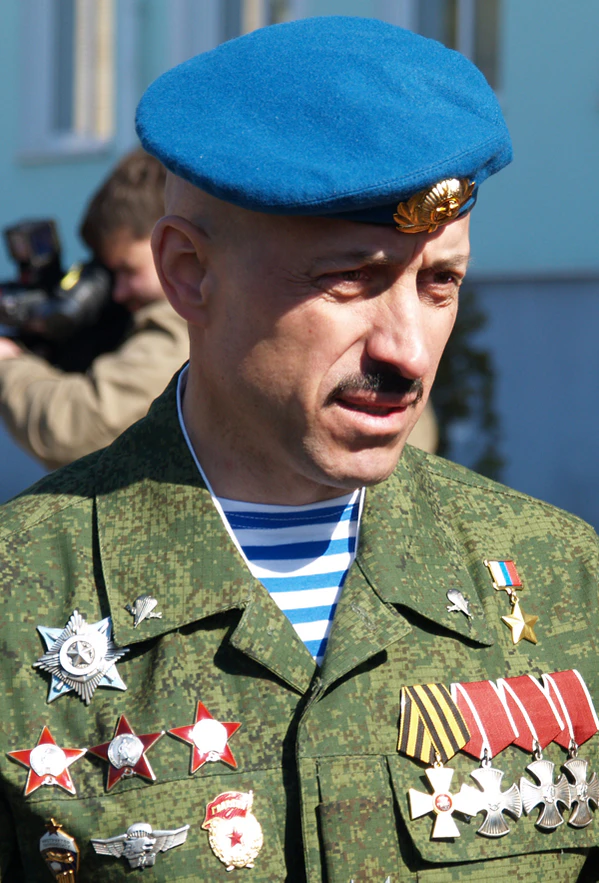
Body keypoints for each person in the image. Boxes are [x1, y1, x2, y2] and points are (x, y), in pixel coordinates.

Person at [0, 17, 597, 882]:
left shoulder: (561, 578)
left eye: (439, 282)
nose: (407, 350)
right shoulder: (22, 598)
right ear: (188, 272)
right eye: (348, 278)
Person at [0, 149, 189, 470]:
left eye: (128, 271)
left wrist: (8, 364)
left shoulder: (187, 322)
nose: (119, 292)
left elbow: (82, 426)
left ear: (173, 246)